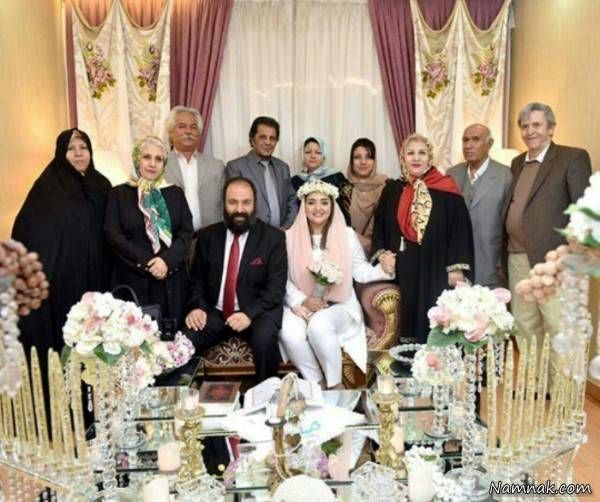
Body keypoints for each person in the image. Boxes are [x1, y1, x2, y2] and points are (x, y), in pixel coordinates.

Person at [503, 102, 591, 383]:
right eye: (525, 126)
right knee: (524, 324)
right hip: (517, 256)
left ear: (551, 128)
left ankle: (565, 390)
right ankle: (538, 387)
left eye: (537, 125)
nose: (530, 131)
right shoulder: (517, 162)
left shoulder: (572, 158)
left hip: (554, 260)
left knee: (557, 324)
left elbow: (582, 211)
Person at [279, 180, 395, 389]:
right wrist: (301, 301)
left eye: (324, 202)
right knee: (288, 332)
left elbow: (360, 271)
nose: (318, 208)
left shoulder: (347, 235)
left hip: (339, 304)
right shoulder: (288, 238)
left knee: (319, 325)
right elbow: (282, 278)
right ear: (303, 206)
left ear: (332, 206)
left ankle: (334, 386)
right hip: (301, 305)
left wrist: (384, 270)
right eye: (311, 202)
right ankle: (317, 383)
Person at [12, 128, 111, 367]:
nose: (78, 153)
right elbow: (29, 231)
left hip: (99, 278)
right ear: (60, 153)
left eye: (83, 147)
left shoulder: (102, 185)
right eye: (70, 149)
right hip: (63, 280)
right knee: (67, 340)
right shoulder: (48, 187)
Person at [372, 133, 474, 344]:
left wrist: (456, 268)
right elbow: (380, 226)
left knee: (435, 316)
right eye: (410, 153)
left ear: (430, 157)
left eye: (422, 153)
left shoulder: (446, 189)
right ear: (403, 157)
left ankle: (436, 362)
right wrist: (382, 255)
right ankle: (410, 361)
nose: (416, 158)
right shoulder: (392, 190)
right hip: (405, 267)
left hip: (436, 266)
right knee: (408, 318)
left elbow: (460, 230)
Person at [184, 177, 287, 382]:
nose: (239, 209)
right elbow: (197, 280)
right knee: (185, 340)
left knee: (265, 339)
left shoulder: (273, 238)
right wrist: (197, 307)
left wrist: (248, 314)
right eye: (233, 202)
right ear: (224, 204)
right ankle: (190, 398)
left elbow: (275, 289)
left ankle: (267, 396)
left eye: (246, 202)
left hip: (258, 312)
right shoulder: (207, 236)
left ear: (255, 204)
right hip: (216, 311)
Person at [104, 136, 193, 330]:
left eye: (158, 159)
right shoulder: (118, 194)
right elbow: (113, 235)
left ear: (164, 164)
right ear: (137, 160)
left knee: (170, 338)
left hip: (170, 278)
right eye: (147, 157)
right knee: (135, 338)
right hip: (133, 277)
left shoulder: (175, 193)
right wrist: (149, 262)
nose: (152, 164)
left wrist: (166, 261)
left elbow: (186, 233)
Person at [448, 124, 512, 288]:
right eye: (465, 140)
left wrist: (501, 264)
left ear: (490, 144)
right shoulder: (452, 174)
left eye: (475, 139)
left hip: (492, 267)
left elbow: (509, 224)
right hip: (457, 269)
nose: (468, 145)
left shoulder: (506, 175)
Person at [225, 116, 297, 229]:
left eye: (272, 138)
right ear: (252, 139)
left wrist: (286, 227)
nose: (268, 142)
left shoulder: (283, 167)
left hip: (281, 234)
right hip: (252, 234)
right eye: (262, 137)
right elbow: (234, 207)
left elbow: (292, 201)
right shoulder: (236, 167)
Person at [164, 105, 225, 231]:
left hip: (210, 236)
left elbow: (225, 204)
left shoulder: (216, 166)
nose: (188, 131)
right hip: (172, 237)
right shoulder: (160, 165)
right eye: (182, 126)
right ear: (171, 132)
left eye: (193, 127)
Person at [343, 138, 388, 254]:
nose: (363, 162)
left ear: (374, 161)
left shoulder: (387, 187)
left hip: (380, 253)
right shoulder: (343, 188)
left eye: (368, 157)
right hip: (349, 252)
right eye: (357, 157)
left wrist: (370, 245)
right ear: (351, 161)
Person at [291, 137, 351, 221]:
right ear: (302, 155)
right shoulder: (295, 181)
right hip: (303, 225)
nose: (313, 156)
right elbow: (292, 209)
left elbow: (346, 205)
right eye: (308, 152)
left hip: (332, 225)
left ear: (324, 156)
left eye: (318, 152)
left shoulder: (336, 177)